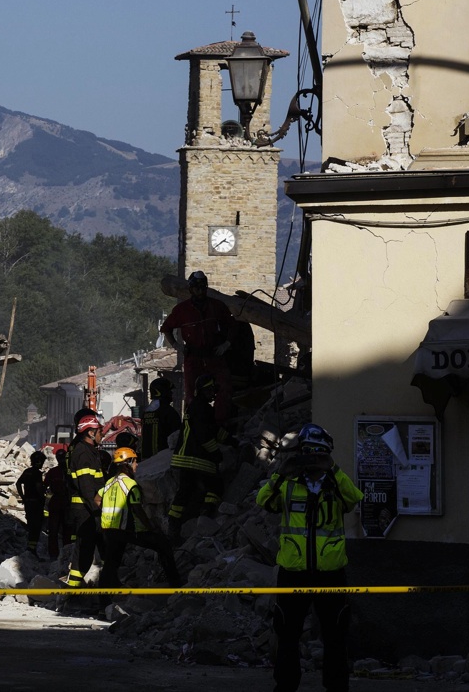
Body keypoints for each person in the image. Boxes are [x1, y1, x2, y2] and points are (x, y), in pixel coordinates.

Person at [256, 424, 363, 692]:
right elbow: (263, 501)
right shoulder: (289, 485)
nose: (312, 460)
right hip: (294, 572)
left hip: (330, 573)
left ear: (327, 455)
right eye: (307, 454)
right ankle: (286, 687)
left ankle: (337, 688)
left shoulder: (336, 484)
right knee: (287, 635)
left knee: (335, 636)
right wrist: (281, 474)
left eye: (319, 455)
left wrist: (333, 469)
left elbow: (355, 499)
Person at [95, 448, 181, 589]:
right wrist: (150, 527)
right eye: (135, 461)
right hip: (129, 530)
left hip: (110, 530)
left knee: (110, 565)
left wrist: (107, 512)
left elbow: (97, 499)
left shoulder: (110, 482)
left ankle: (103, 604)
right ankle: (175, 584)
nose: (137, 464)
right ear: (127, 463)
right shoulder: (131, 485)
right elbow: (138, 510)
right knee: (163, 545)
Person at [161, 270, 237, 423]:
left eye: (203, 288)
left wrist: (227, 344)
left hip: (214, 355)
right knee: (190, 393)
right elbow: (166, 328)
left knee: (224, 388)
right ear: (191, 289)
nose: (200, 291)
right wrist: (176, 345)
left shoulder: (217, 306)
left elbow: (232, 326)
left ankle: (220, 422)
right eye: (197, 288)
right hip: (193, 357)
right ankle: (193, 423)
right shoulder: (182, 310)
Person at [167, 373, 233, 542]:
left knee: (184, 492)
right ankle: (206, 518)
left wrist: (231, 439)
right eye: (212, 390)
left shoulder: (196, 406)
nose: (214, 394)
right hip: (197, 458)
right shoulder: (202, 408)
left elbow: (213, 430)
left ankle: (173, 528)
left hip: (184, 457)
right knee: (216, 486)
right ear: (205, 390)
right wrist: (216, 454)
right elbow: (205, 435)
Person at [64, 412, 108, 588]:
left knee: (97, 550)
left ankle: (104, 591)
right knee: (84, 552)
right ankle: (72, 592)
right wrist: (98, 512)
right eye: (99, 431)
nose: (102, 434)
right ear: (90, 433)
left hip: (89, 510)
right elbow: (87, 489)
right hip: (87, 511)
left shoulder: (89, 451)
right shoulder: (83, 453)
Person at [15, 451, 47, 555]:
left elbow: (18, 483)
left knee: (31, 525)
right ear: (38, 461)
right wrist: (43, 497)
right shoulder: (37, 473)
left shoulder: (27, 471)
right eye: (42, 462)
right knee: (36, 527)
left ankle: (30, 548)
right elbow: (38, 487)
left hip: (28, 503)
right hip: (36, 503)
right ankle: (32, 549)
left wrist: (23, 497)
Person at [142, 376, 182, 457]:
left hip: (146, 460)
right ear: (163, 392)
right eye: (169, 391)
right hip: (163, 460)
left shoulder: (146, 413)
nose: (172, 394)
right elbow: (176, 438)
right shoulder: (169, 412)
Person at [43, 446, 71, 560]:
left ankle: (63, 553)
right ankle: (56, 554)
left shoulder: (60, 472)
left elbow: (44, 486)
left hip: (63, 503)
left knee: (65, 531)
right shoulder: (57, 472)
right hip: (61, 503)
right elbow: (44, 486)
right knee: (58, 531)